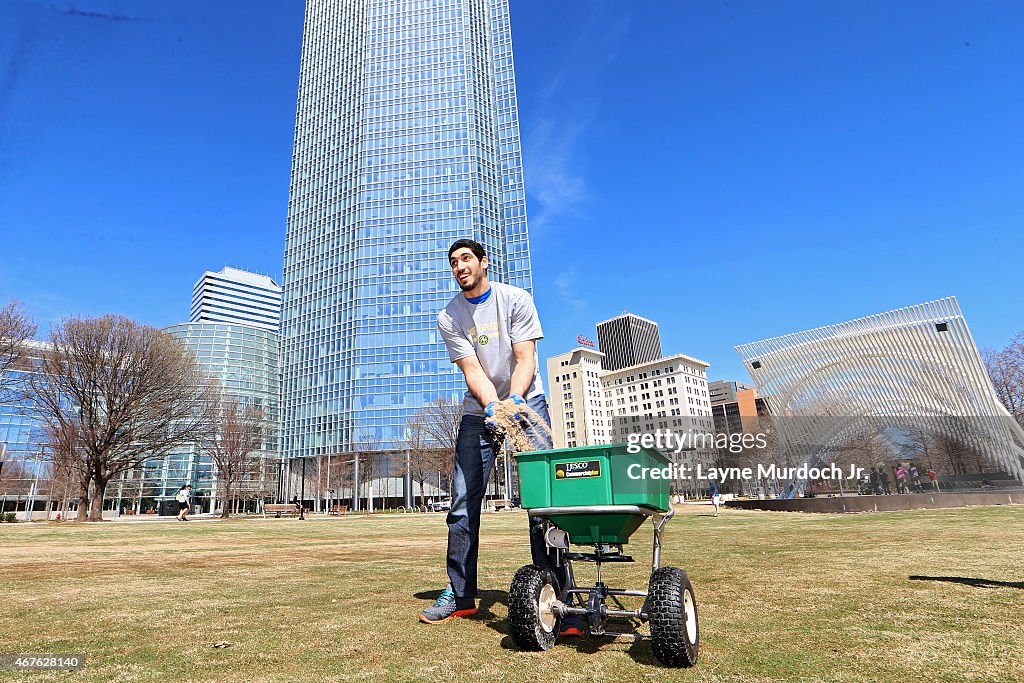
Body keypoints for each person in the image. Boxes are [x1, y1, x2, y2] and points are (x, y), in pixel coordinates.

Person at [419, 238, 583, 637]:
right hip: (479, 411)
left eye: (466, 260)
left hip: (528, 403)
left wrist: (513, 400)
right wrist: (492, 404)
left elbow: (525, 357)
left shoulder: (516, 299)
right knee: (461, 505)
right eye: (454, 262)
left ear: (483, 263)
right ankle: (460, 596)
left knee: (546, 502)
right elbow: (472, 369)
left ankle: (558, 598)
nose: (460, 267)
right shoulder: (450, 316)